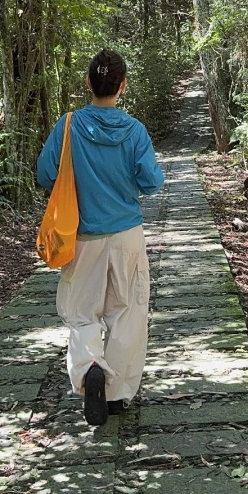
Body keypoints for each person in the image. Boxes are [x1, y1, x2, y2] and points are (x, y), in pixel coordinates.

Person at [36, 48, 165, 426]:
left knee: (81, 313)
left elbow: (46, 174)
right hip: (126, 233)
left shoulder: (69, 125)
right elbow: (151, 182)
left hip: (81, 237)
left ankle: (90, 367)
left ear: (88, 82)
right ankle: (118, 394)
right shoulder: (135, 130)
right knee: (128, 311)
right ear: (122, 86)